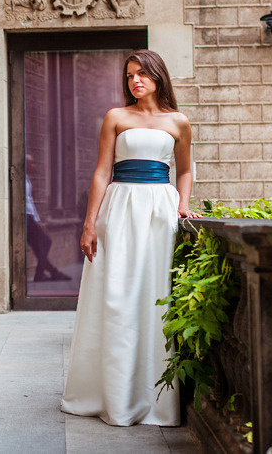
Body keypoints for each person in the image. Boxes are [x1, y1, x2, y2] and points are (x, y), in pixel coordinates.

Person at [60, 50, 201, 426]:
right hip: (119, 211)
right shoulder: (116, 117)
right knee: (116, 296)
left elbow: (184, 170)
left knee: (154, 296)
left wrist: (183, 204)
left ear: (158, 75)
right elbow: (101, 172)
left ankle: (151, 397)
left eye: (141, 74)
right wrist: (89, 223)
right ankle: (111, 394)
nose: (135, 81)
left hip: (159, 213)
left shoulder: (179, 122)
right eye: (129, 76)